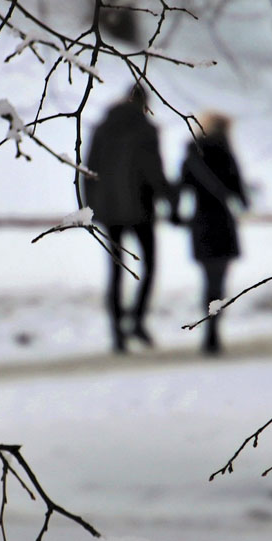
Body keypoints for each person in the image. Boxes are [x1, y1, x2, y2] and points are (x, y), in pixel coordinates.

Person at [84, 84, 176, 353]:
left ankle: (116, 333)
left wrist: (91, 207)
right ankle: (136, 320)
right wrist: (170, 199)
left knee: (115, 271)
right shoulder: (146, 131)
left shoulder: (101, 129)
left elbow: (88, 171)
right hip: (141, 210)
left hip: (109, 211)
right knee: (149, 265)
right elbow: (153, 171)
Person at [177, 112, 249, 355]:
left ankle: (209, 330)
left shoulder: (192, 155)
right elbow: (240, 193)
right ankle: (213, 332)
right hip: (222, 223)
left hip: (201, 223)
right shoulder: (226, 154)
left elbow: (181, 187)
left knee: (208, 279)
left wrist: (176, 215)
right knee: (218, 282)